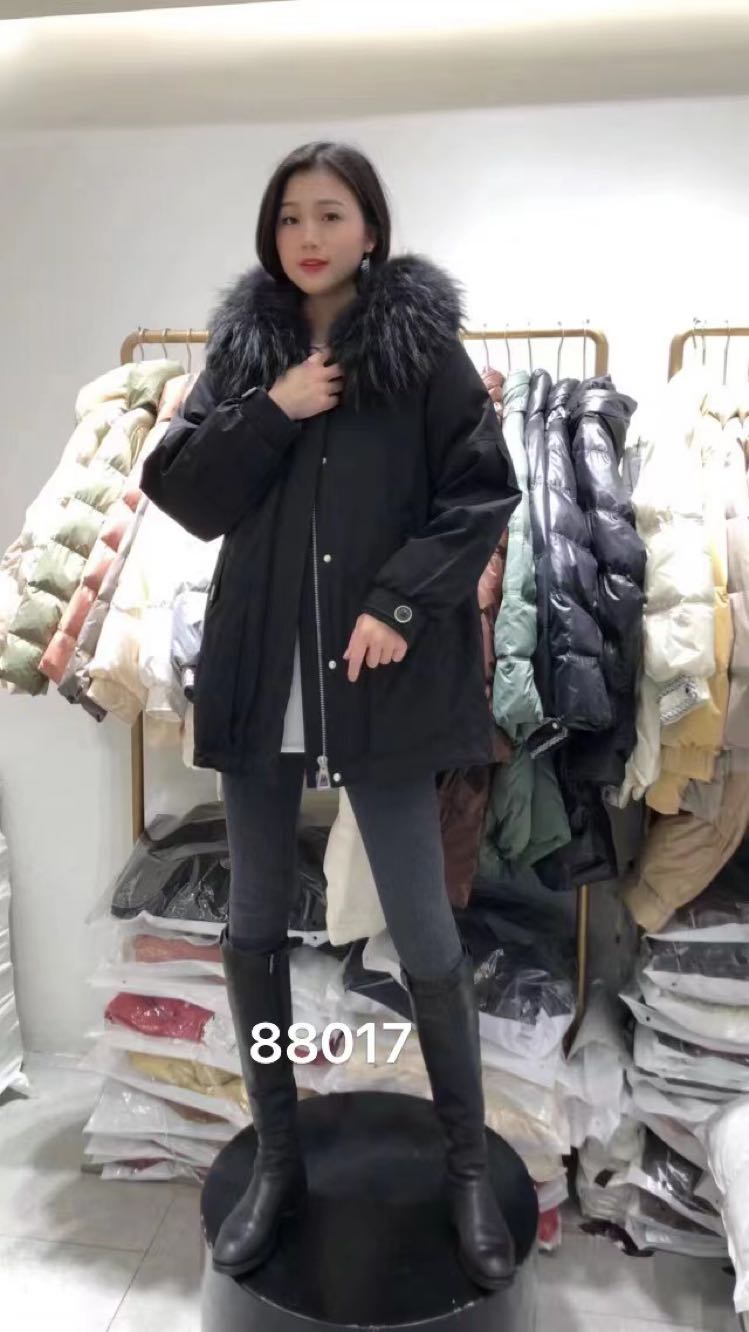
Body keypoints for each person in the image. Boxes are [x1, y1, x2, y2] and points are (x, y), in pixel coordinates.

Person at [140, 141, 520, 1289]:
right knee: (254, 921)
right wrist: (274, 406)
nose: (307, 236)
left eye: (330, 213)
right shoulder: (244, 351)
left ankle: (463, 1166)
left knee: (423, 930)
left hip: (378, 678)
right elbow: (183, 490)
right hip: (261, 671)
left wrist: (400, 601)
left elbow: (481, 488)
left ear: (370, 228)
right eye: (289, 217)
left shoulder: (419, 350)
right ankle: (277, 1159)